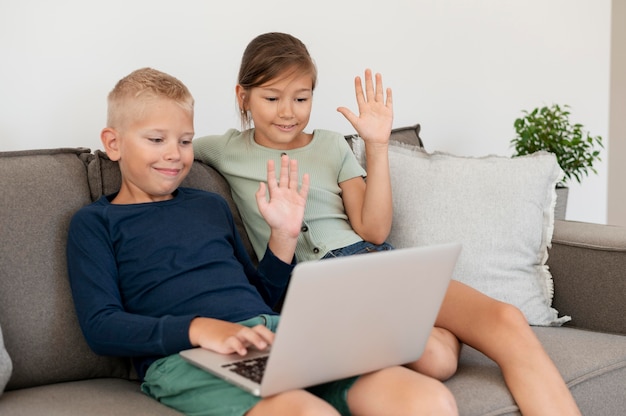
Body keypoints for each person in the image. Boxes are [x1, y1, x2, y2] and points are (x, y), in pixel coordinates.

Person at [193, 32, 582, 415]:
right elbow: (164, 147)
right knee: (435, 359)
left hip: (375, 263)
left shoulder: (330, 145)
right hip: (316, 291)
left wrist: (377, 146)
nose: (287, 111)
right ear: (242, 96)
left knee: (506, 319)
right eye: (271, 98)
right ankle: (419, 340)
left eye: (301, 98)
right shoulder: (224, 149)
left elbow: (374, 231)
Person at [66, 67, 459, 416]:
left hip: (275, 335)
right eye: (156, 140)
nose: (175, 154)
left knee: (427, 400)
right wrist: (202, 329)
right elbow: (102, 327)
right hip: (185, 356)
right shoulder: (95, 224)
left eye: (185, 141)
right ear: (113, 143)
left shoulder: (209, 206)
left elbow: (263, 294)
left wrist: (284, 237)